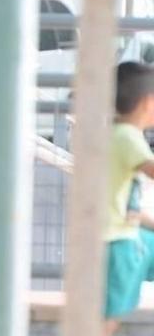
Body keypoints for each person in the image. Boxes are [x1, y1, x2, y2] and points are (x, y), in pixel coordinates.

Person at [103, 62, 154, 335]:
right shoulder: (127, 137)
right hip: (117, 240)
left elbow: (128, 205)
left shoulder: (120, 134)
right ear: (148, 103)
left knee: (113, 311)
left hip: (127, 233)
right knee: (110, 315)